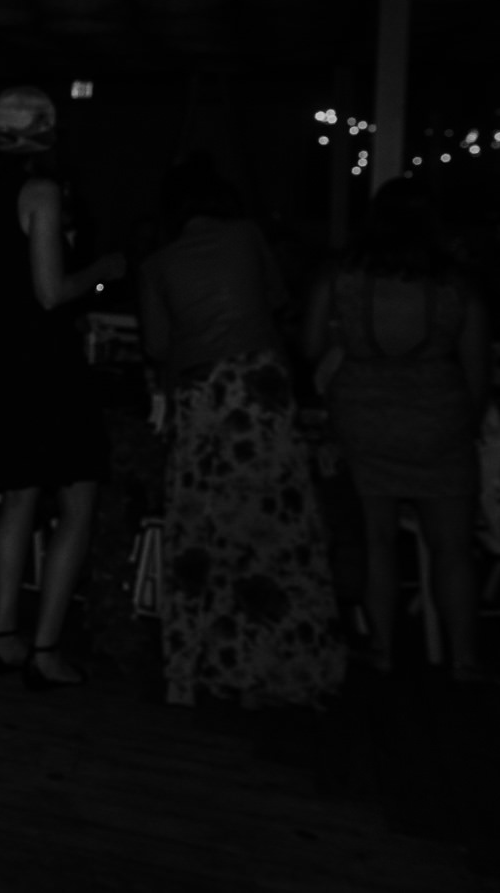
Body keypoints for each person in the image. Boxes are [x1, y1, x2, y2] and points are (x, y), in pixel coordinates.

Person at [141, 156, 343, 708]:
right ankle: (286, 665)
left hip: (204, 394)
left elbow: (158, 346)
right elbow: (277, 303)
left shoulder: (159, 263)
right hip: (261, 389)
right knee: (276, 524)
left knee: (204, 531)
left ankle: (203, 665)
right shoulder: (248, 236)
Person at [303, 176, 489, 681]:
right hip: (439, 416)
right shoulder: (455, 285)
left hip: (363, 416)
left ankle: (383, 649)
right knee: (451, 547)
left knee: (376, 540)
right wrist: (463, 422)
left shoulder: (341, 277)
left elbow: (309, 345)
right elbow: (476, 370)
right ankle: (464, 659)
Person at [0, 88, 122, 690]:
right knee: (78, 499)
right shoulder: (41, 191)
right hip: (46, 366)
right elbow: (51, 291)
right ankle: (45, 646)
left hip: (4, 362)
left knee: (19, 499)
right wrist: (106, 270)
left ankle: (6, 638)